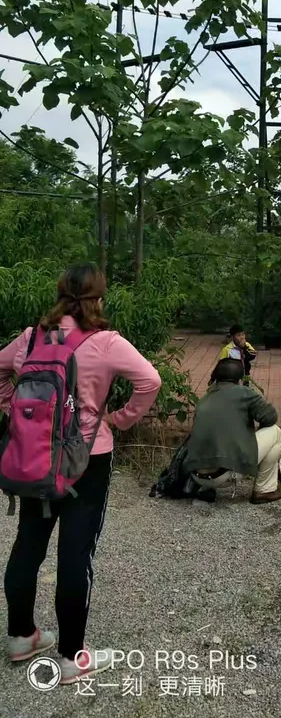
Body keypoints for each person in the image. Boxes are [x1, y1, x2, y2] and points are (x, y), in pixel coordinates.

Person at [0, 263, 161, 684]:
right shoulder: (105, 341)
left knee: (29, 544)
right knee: (76, 553)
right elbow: (150, 381)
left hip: (34, 456)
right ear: (99, 298)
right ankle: (72, 658)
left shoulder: (33, 335)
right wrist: (119, 420)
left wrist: (13, 412)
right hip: (87, 458)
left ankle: (20, 636)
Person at [184, 358, 281, 505]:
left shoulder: (205, 398)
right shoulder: (244, 393)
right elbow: (271, 417)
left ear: (216, 376)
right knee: (275, 432)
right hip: (225, 475)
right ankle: (264, 490)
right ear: (239, 378)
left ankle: (205, 489)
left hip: (196, 476)